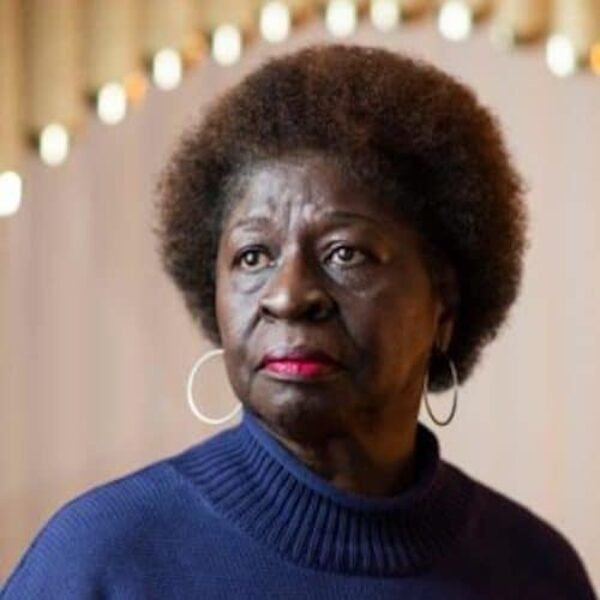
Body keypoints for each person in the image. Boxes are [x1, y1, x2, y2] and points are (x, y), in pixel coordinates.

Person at [2, 44, 596, 599]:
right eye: (252, 256)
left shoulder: (534, 572)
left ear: (444, 304)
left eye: (345, 253)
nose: (288, 296)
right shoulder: (101, 560)